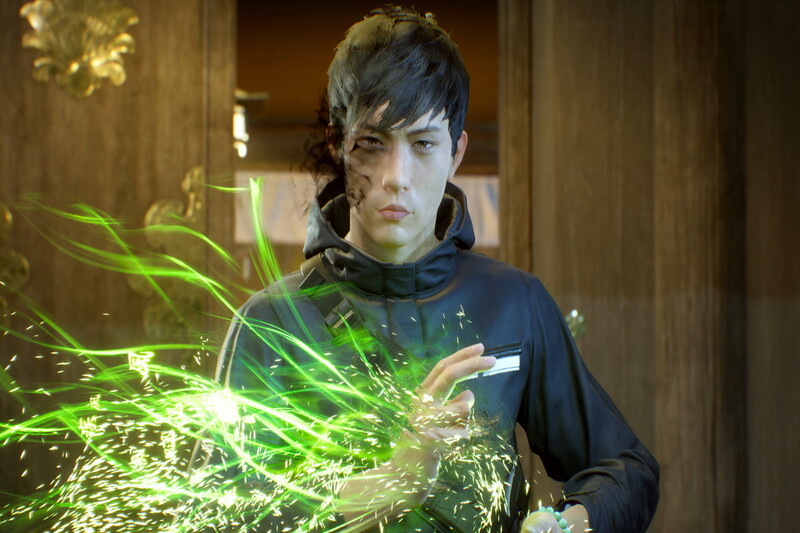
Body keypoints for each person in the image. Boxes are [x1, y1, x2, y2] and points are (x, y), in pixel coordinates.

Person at [217, 6, 659, 532]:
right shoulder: (270, 322)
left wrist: (569, 524)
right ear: (338, 147)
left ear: (456, 153)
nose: (396, 176)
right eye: (372, 144)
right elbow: (223, 511)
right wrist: (395, 481)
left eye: (423, 144)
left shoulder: (514, 302)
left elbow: (627, 469)